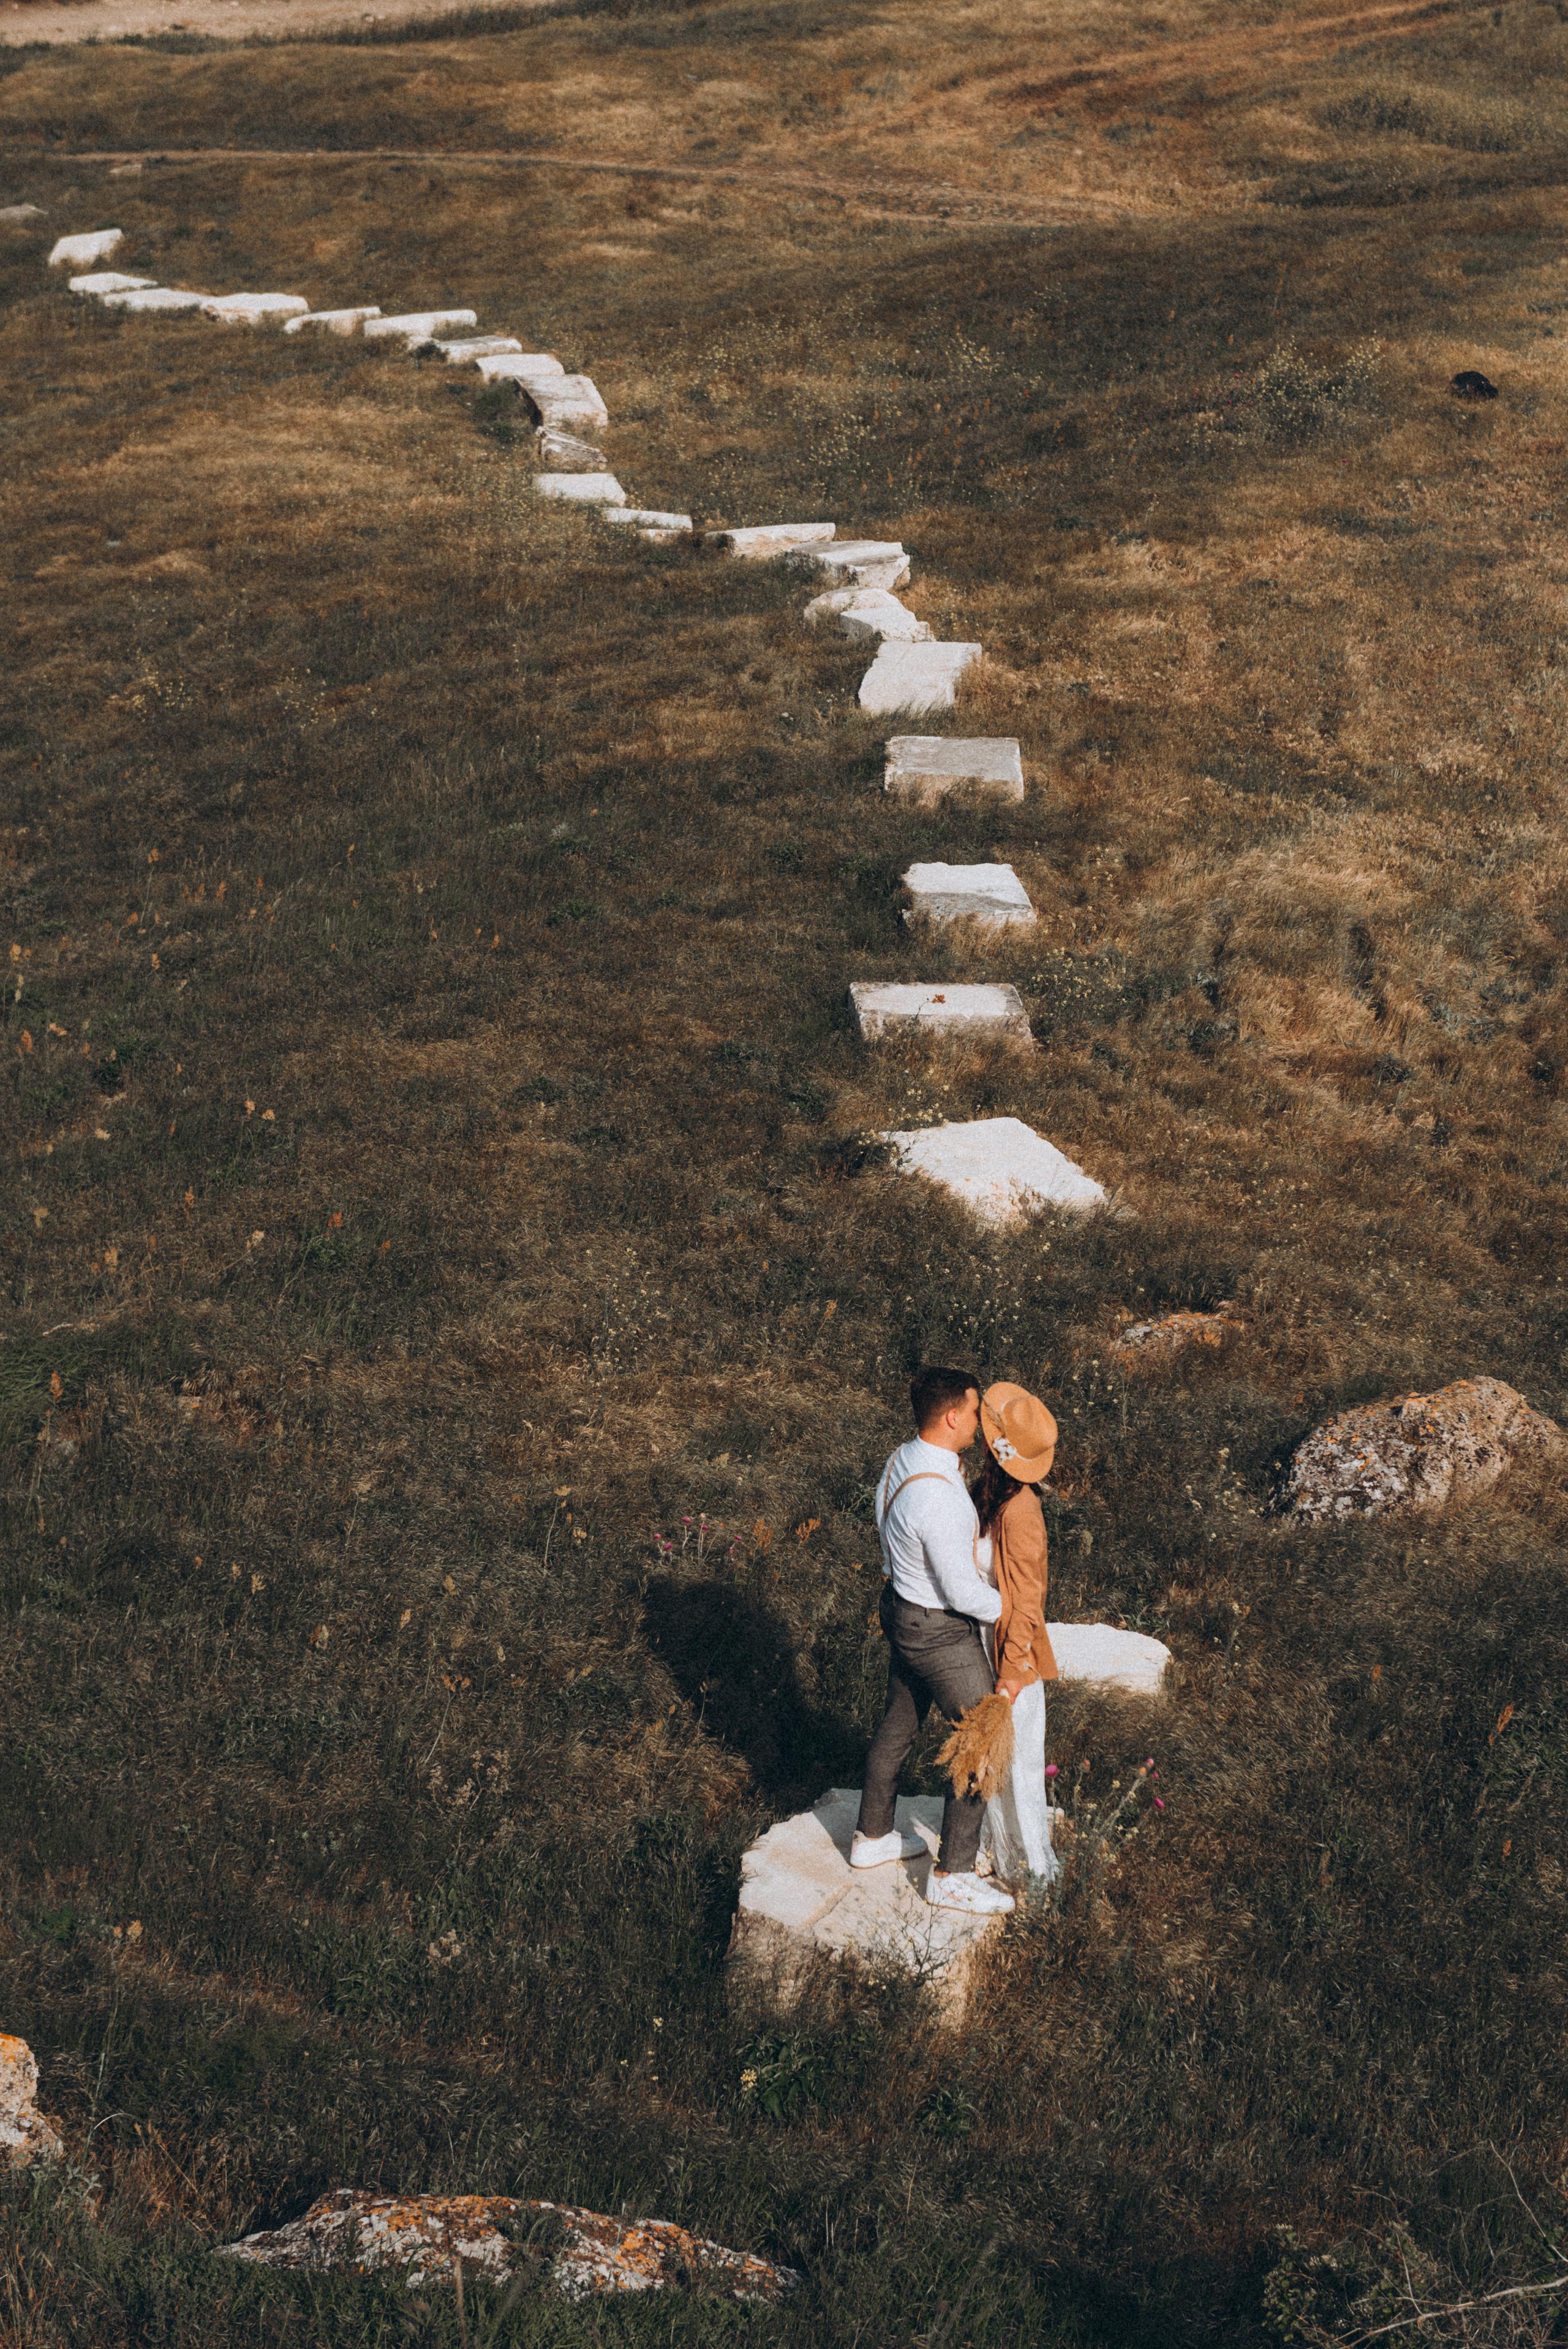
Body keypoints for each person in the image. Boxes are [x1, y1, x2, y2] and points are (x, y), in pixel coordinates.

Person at [853, 1366, 1016, 1917]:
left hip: (900, 1607)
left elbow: (883, 1514)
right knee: (983, 1738)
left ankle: (873, 1834)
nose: (980, 1422)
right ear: (951, 1417)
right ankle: (954, 1874)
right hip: (937, 1629)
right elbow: (960, 1590)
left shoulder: (904, 1458)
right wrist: (1010, 1608)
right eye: (974, 1411)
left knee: (899, 1721)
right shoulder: (940, 1499)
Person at [971, 1383, 1062, 1891]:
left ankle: (1035, 1877)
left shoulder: (1022, 1510)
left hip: (1011, 1651)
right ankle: (998, 1851)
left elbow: (1029, 1600)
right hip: (982, 1641)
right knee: (992, 1758)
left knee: (1021, 1764)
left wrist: (1011, 1671)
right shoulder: (987, 1493)